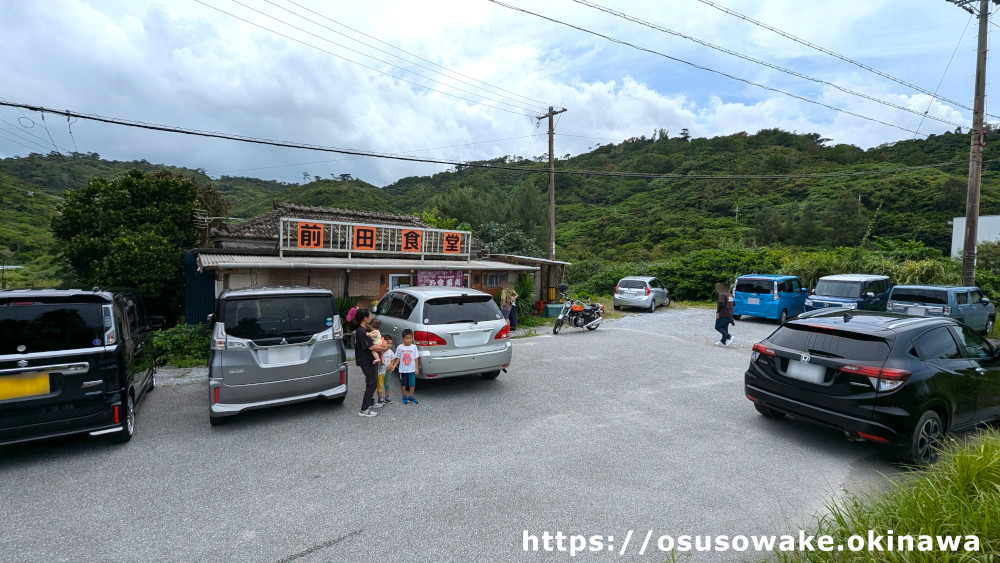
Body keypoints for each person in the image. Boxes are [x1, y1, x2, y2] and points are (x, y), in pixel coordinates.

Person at [354, 309, 388, 417]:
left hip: (369, 359)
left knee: (371, 381)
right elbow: (371, 346)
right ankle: (364, 409)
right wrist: (382, 348)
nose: (371, 317)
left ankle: (370, 402)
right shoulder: (361, 331)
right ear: (365, 318)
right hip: (366, 360)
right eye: (370, 315)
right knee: (372, 383)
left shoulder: (366, 329)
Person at [395, 329, 420, 404]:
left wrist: (416, 368)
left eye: (410, 338)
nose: (409, 340)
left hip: (411, 369)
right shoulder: (400, 347)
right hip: (403, 369)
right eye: (407, 338)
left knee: (412, 383)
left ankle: (411, 396)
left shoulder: (414, 347)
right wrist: (394, 366)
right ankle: (404, 396)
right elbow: (398, 358)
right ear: (403, 338)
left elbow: (416, 357)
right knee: (404, 382)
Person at [376, 334, 396, 405]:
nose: (389, 345)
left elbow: (393, 359)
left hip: (388, 371)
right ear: (383, 342)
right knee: (379, 385)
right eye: (388, 343)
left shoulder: (390, 352)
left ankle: (387, 396)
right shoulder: (379, 351)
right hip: (380, 372)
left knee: (387, 384)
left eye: (391, 343)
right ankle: (380, 397)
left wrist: (391, 365)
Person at [715, 282, 735, 346]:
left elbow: (721, 304)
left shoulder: (722, 295)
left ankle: (729, 337)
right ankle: (723, 341)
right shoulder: (730, 295)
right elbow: (734, 303)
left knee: (717, 326)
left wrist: (718, 312)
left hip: (723, 314)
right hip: (729, 314)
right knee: (724, 327)